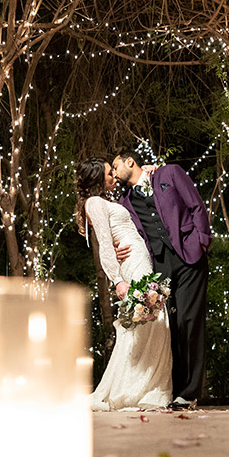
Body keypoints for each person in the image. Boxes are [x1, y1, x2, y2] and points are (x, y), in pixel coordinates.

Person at [112, 150, 211, 410]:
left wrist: (202, 240)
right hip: (160, 266)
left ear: (129, 162)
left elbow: (196, 205)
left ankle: (189, 393)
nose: (114, 172)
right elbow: (130, 232)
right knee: (171, 326)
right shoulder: (125, 202)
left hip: (189, 255)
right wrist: (117, 248)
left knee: (190, 321)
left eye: (115, 166)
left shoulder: (169, 173)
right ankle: (175, 389)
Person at [74, 157, 173, 411]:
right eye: (109, 173)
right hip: (132, 266)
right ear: (97, 177)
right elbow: (105, 244)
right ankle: (134, 387)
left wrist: (150, 171)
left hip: (141, 260)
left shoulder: (105, 201)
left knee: (152, 320)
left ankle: (150, 385)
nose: (113, 177)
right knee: (146, 319)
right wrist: (117, 279)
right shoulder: (94, 203)